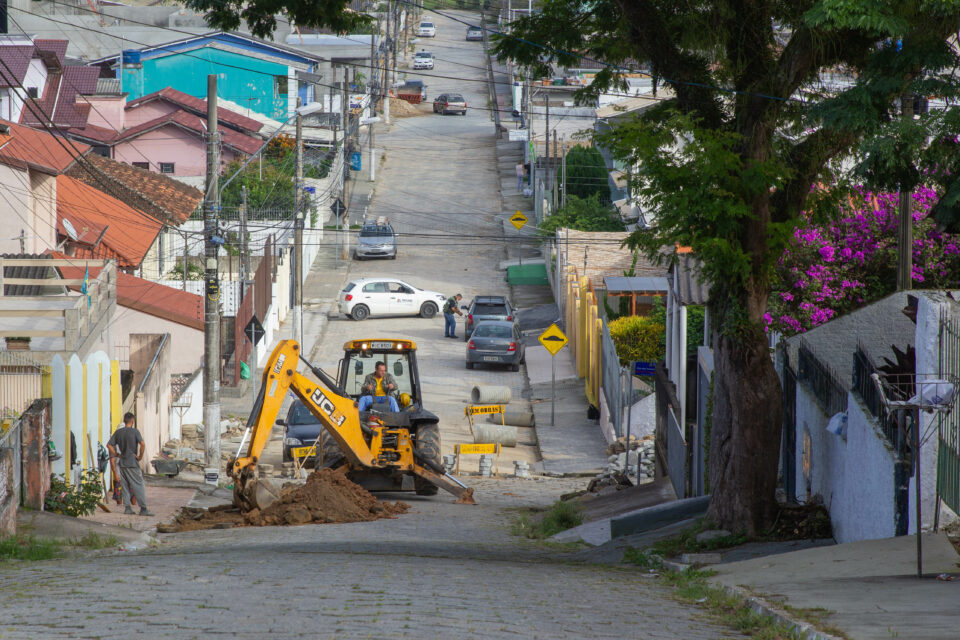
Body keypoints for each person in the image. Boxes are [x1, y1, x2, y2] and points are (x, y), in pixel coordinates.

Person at [107, 412, 154, 517]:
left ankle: (127, 508)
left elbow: (109, 445)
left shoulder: (118, 432)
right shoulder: (135, 432)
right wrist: (140, 456)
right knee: (139, 485)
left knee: (125, 486)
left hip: (122, 463)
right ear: (132, 421)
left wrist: (116, 454)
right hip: (132, 462)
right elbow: (142, 444)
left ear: (124, 421)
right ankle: (143, 508)